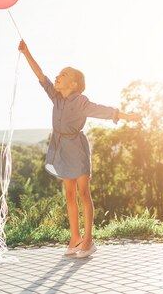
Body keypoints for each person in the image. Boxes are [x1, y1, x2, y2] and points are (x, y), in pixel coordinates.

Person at [18, 40, 141, 258]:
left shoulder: (81, 101)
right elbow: (40, 74)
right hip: (61, 148)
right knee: (69, 194)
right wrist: (26, 52)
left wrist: (125, 116)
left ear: (74, 84)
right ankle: (75, 238)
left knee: (83, 193)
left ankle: (88, 241)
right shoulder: (55, 97)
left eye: (63, 75)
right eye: (59, 74)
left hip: (77, 148)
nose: (58, 76)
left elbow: (101, 110)